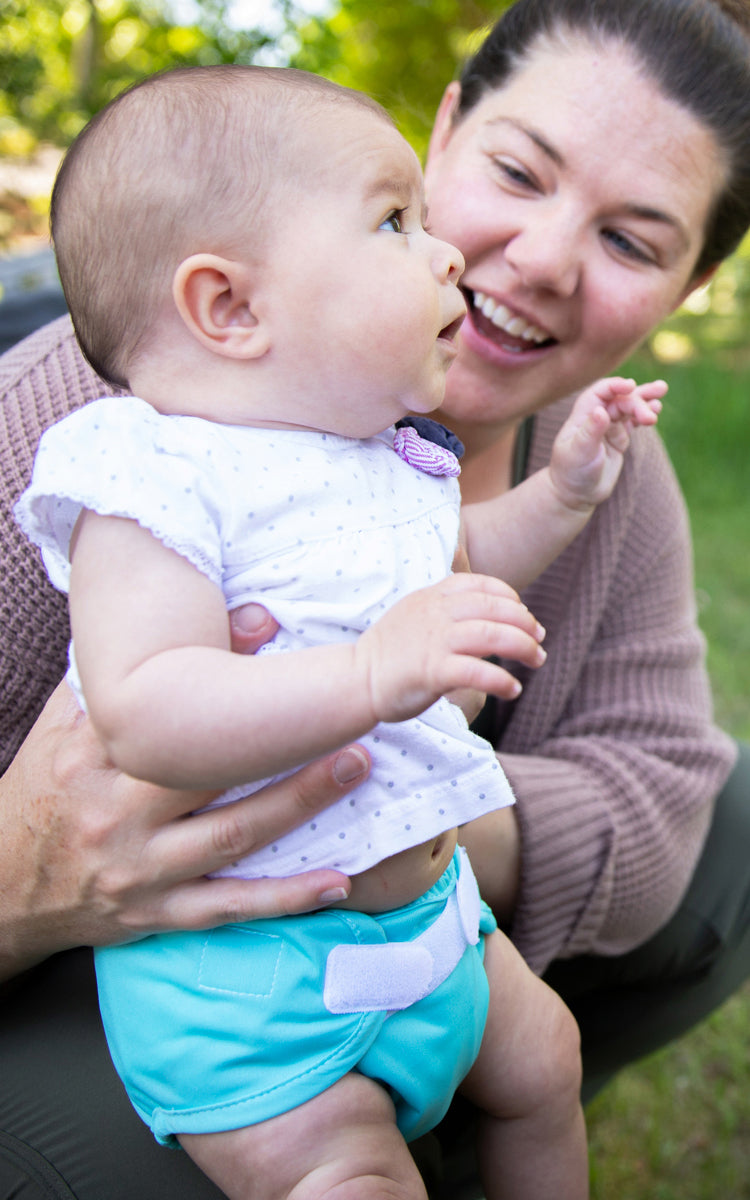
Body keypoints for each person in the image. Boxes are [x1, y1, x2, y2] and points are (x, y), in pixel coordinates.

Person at [0, 0, 748, 1197]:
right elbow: (144, 705)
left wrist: (565, 494)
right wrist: (369, 683)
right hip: (231, 984)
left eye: (633, 240)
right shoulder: (133, 466)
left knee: (556, 1032)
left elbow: (459, 559)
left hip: (423, 927)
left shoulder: (369, 449)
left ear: (691, 282)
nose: (535, 260)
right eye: (509, 175)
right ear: (229, 308)